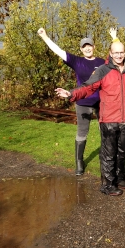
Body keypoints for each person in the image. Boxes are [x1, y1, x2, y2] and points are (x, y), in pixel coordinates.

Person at [55, 41, 125, 196]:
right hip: (109, 118)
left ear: (124, 53)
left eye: (121, 52)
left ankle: (120, 178)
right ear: (111, 53)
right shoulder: (103, 70)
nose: (119, 55)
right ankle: (107, 185)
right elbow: (88, 87)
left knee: (122, 152)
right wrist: (71, 93)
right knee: (109, 153)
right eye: (116, 52)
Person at [37, 28, 105, 176]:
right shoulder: (77, 61)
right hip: (82, 101)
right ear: (81, 49)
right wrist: (45, 37)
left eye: (89, 45)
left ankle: (104, 157)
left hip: (101, 102)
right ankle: (79, 162)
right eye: (84, 46)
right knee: (82, 132)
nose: (87, 48)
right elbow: (59, 51)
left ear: (94, 47)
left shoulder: (102, 62)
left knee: (105, 131)